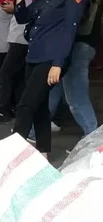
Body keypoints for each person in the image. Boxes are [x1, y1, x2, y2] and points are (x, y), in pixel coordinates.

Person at [12, 0, 88, 157]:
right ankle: (43, 152)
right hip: (34, 56)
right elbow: (23, 18)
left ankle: (12, 155)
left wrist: (58, 63)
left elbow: (70, 28)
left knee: (25, 105)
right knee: (40, 106)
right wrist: (19, 3)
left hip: (52, 59)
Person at [29, 0, 102, 139]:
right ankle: (32, 131)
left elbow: (73, 22)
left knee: (75, 95)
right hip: (78, 44)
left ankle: (94, 139)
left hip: (76, 44)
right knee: (53, 90)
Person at [0, 0, 31, 121]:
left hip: (21, 38)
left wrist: (14, 9)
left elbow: (30, 10)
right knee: (18, 77)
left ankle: (4, 111)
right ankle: (15, 108)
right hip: (18, 37)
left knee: (5, 74)